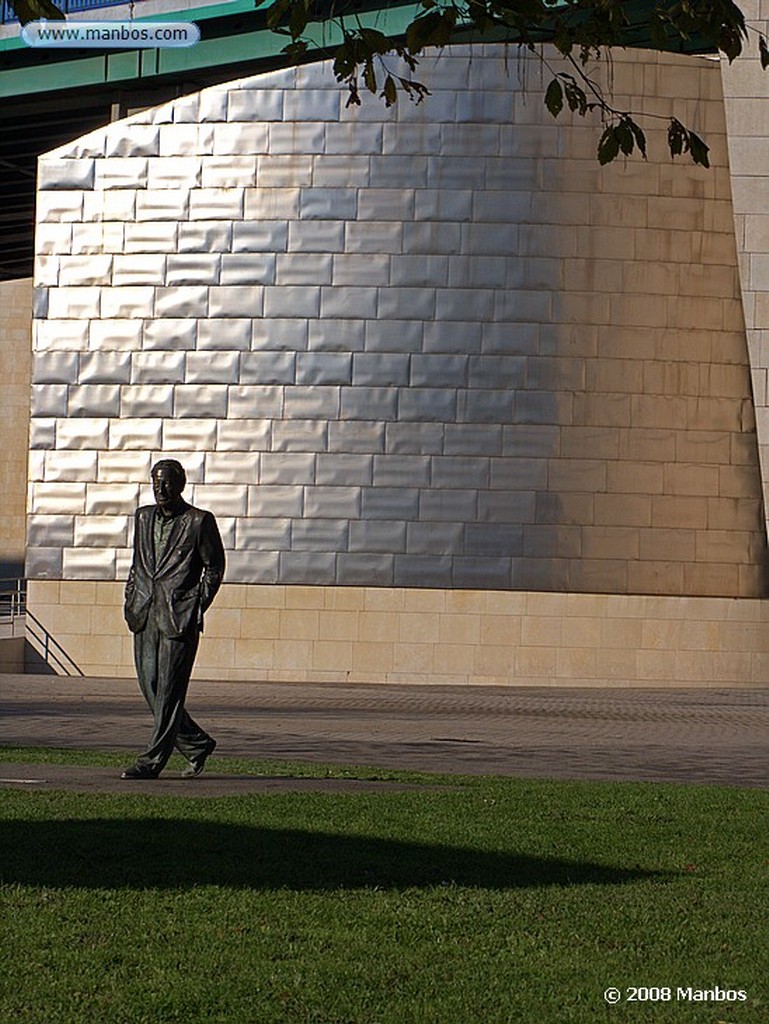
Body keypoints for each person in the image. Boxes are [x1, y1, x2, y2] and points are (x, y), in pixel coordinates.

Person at [121, 459, 225, 780]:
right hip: (144, 612)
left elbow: (215, 566)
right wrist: (130, 595)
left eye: (166, 483)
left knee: (169, 691)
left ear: (180, 484)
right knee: (150, 686)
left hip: (179, 616)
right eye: (155, 484)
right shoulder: (143, 517)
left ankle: (151, 761)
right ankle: (196, 744)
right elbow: (139, 563)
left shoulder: (199, 521)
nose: (160, 490)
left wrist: (196, 604)